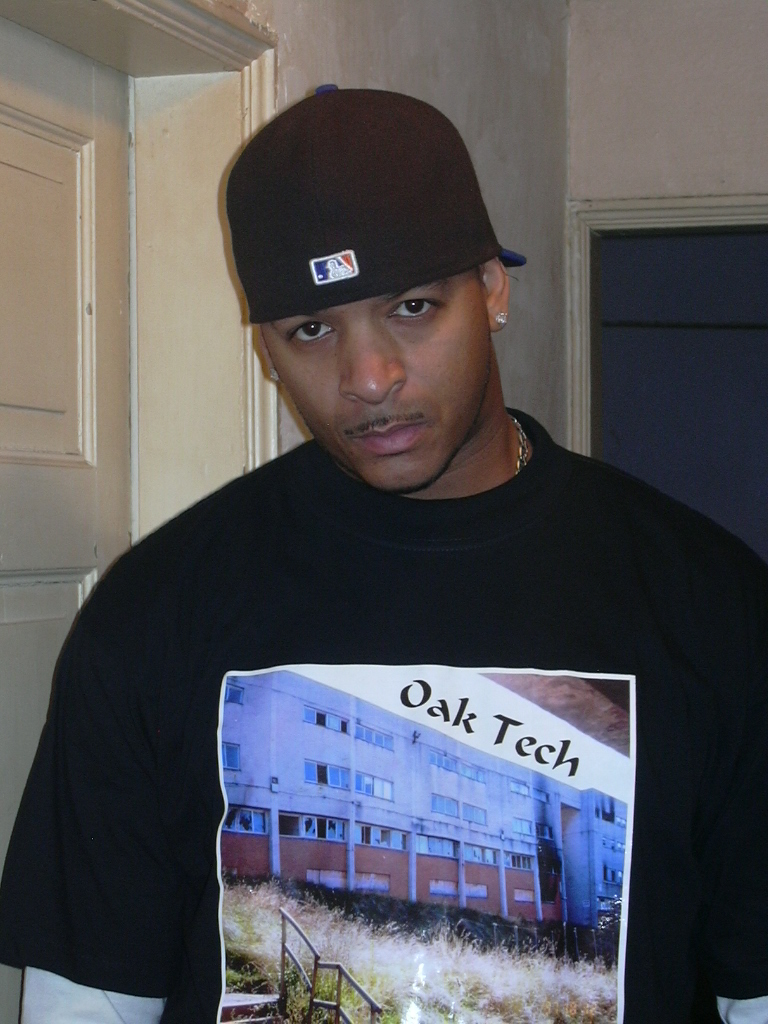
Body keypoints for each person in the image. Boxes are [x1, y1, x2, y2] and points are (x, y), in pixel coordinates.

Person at [0, 86, 766, 1024]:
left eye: (411, 307)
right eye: (312, 329)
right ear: (266, 347)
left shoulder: (708, 602)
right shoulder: (156, 609)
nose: (368, 378)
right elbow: (90, 999)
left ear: (492, 290)